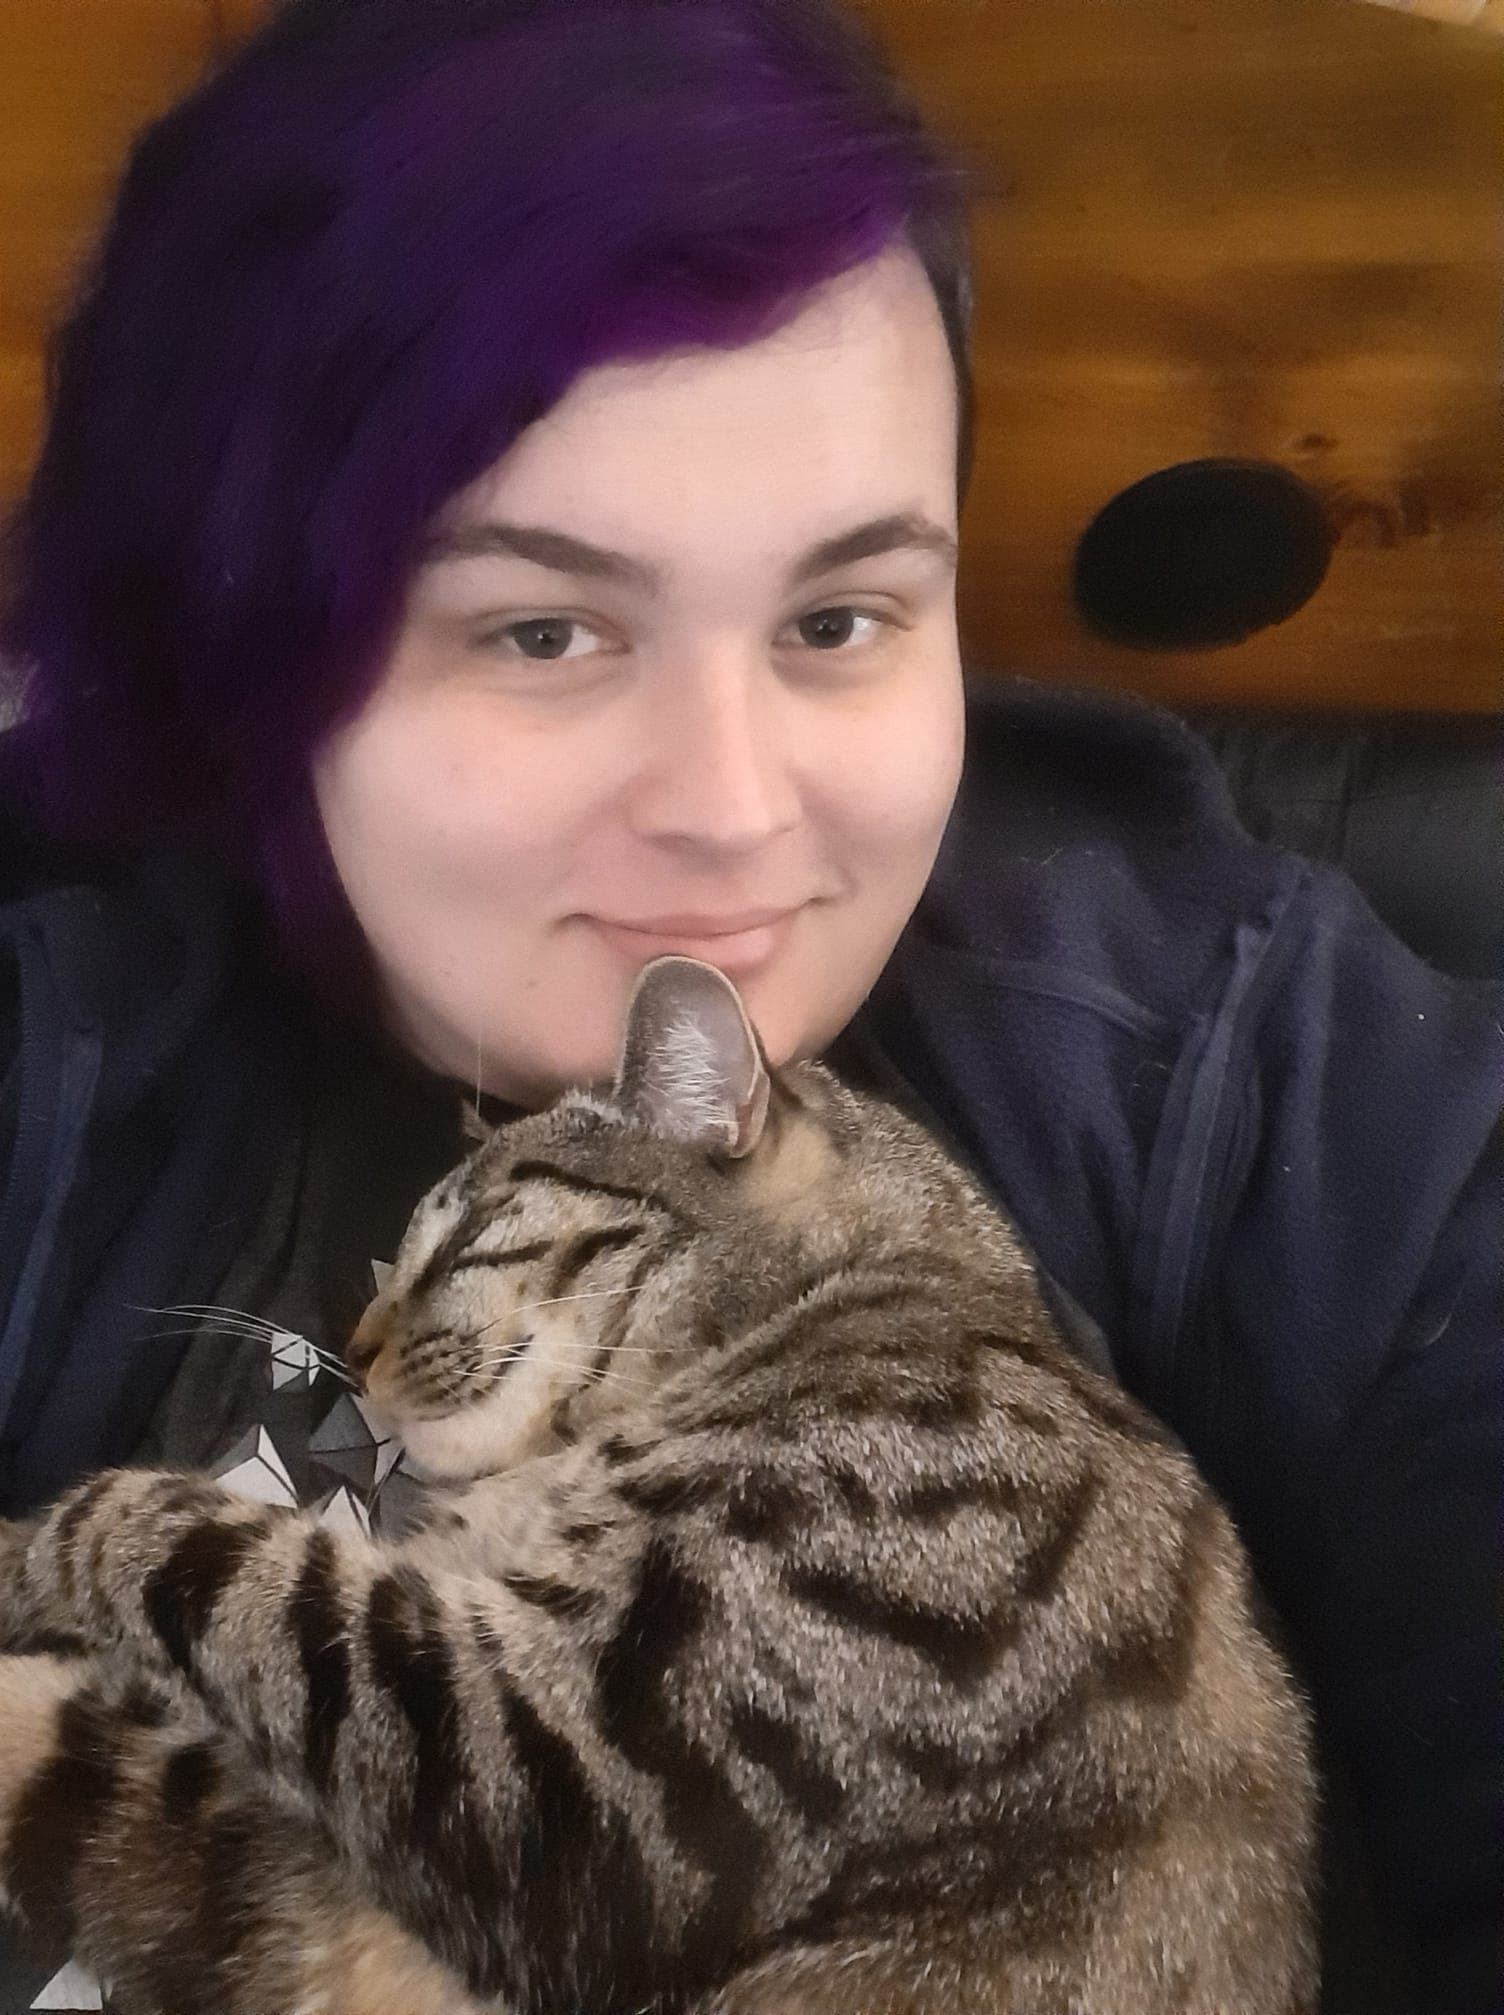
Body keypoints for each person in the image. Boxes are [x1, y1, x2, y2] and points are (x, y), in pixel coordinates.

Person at [0, 1, 1497, 2010]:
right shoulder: (58, 1053)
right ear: (252, 649)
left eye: (838, 615)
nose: (730, 815)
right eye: (539, 626)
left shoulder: (1217, 1055)